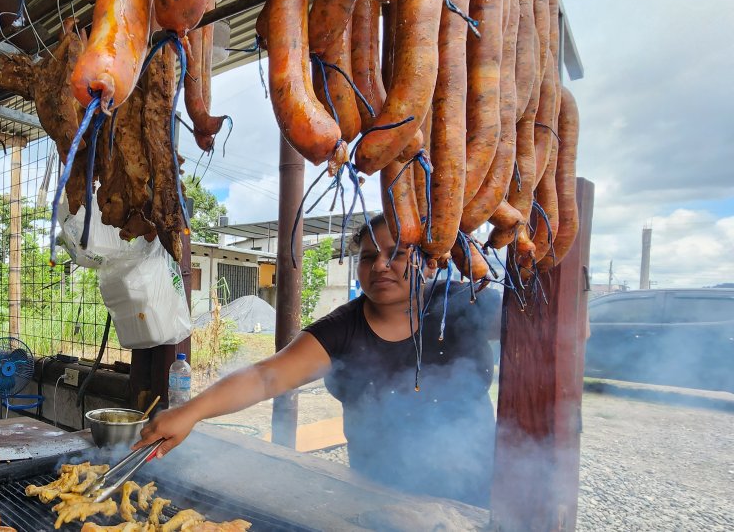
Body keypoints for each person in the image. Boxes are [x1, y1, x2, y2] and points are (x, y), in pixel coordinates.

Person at [135, 213, 502, 507]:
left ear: (427, 261)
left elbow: (533, 330)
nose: (379, 266)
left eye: (397, 254)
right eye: (368, 257)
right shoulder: (341, 328)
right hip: (379, 499)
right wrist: (190, 412)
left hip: (473, 494)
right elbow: (267, 377)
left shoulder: (463, 303)